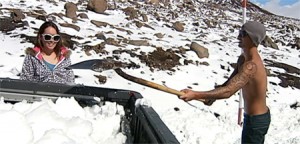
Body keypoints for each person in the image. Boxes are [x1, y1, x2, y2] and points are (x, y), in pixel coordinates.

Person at [180, 21, 271, 144]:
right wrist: (212, 98)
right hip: (251, 118)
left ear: (253, 38)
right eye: (240, 32)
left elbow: (229, 91)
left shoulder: (251, 66)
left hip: (256, 121)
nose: (238, 36)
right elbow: (229, 84)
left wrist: (195, 94)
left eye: (243, 33)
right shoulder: (243, 59)